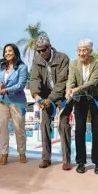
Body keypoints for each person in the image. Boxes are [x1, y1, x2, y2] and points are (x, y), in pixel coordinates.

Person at [30, 35, 73, 170]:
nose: (41, 53)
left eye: (43, 50)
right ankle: (46, 158)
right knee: (44, 126)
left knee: (64, 126)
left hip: (62, 97)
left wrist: (50, 99)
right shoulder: (37, 60)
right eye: (38, 51)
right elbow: (35, 79)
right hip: (45, 98)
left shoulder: (63, 58)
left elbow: (62, 83)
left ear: (49, 47)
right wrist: (37, 96)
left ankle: (66, 160)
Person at [66, 39, 98, 174]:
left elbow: (93, 81)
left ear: (90, 51)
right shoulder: (74, 64)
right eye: (79, 50)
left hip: (96, 97)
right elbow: (70, 81)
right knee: (79, 129)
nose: (81, 53)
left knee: (97, 129)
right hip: (80, 99)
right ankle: (81, 162)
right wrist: (69, 91)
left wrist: (77, 89)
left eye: (84, 50)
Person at [0, 43, 28, 165]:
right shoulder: (1, 66)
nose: (7, 53)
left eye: (10, 51)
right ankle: (4, 154)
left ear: (15, 52)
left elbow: (21, 85)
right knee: (2, 128)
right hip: (2, 101)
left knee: (19, 128)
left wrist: (7, 89)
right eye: (5, 51)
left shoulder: (22, 67)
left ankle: (22, 152)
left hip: (16, 101)